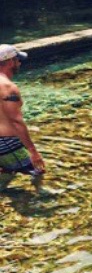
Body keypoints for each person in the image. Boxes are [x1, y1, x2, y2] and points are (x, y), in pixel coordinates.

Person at [0, 45, 45, 191]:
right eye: (17, 59)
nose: (19, 63)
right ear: (10, 62)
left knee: (7, 171)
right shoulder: (8, 87)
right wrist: (33, 152)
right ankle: (37, 199)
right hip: (7, 143)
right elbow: (16, 121)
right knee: (38, 170)